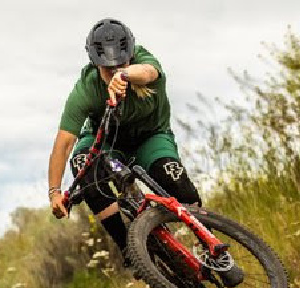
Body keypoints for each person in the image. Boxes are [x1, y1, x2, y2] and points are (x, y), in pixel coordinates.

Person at [47, 18, 201, 259]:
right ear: (94, 63)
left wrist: (125, 75)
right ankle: (129, 249)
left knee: (175, 181)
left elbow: (150, 72)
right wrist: (54, 192)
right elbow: (64, 142)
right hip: (107, 142)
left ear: (130, 54)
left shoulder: (143, 60)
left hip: (151, 137)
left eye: (121, 62)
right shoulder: (86, 88)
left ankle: (210, 243)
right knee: (82, 168)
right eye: (108, 68)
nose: (114, 70)